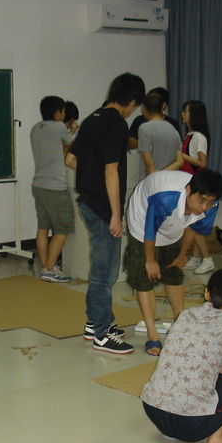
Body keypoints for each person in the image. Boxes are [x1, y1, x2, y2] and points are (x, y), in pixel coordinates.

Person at [67, 72, 145, 354]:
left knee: (102, 268)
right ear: (132, 100)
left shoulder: (92, 119)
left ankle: (94, 323)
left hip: (88, 201)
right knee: (105, 272)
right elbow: (111, 169)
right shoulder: (117, 124)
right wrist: (116, 214)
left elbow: (71, 158)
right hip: (103, 208)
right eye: (136, 105)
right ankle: (102, 333)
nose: (133, 110)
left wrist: (92, 175)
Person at [140, 269, 222, 443]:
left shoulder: (185, 315)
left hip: (154, 411)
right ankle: (218, 437)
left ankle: (174, 429)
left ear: (207, 293)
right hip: (193, 423)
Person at [125, 168, 222, 356]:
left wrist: (181, 256)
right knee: (144, 277)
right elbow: (150, 230)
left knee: (174, 274)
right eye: (200, 200)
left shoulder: (212, 205)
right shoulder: (164, 198)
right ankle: (152, 334)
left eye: (209, 202)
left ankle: (180, 328)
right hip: (142, 219)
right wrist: (150, 260)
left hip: (173, 227)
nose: (204, 207)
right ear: (188, 190)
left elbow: (192, 228)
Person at [30, 96, 78, 282]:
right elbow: (71, 145)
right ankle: (49, 269)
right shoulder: (58, 127)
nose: (65, 115)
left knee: (43, 227)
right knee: (63, 228)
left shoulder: (36, 128)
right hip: (55, 187)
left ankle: (46, 267)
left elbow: (58, 149)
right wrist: (73, 130)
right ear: (57, 113)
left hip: (39, 186)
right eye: (64, 112)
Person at [179, 100, 215, 275]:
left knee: (193, 226)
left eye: (186, 111)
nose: (182, 114)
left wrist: (181, 155)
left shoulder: (199, 137)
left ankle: (207, 259)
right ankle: (195, 257)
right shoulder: (189, 135)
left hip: (196, 184)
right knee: (192, 223)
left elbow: (202, 162)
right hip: (189, 182)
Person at [137, 91, 184, 177]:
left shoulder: (144, 128)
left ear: (144, 108)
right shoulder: (173, 129)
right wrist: (162, 173)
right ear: (162, 108)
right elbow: (180, 161)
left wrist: (156, 176)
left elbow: (149, 164)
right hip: (169, 179)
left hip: (151, 180)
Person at [127, 87, 180, 151]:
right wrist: (147, 142)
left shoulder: (172, 123)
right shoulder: (139, 121)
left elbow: (178, 147)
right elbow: (129, 144)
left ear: (163, 105)